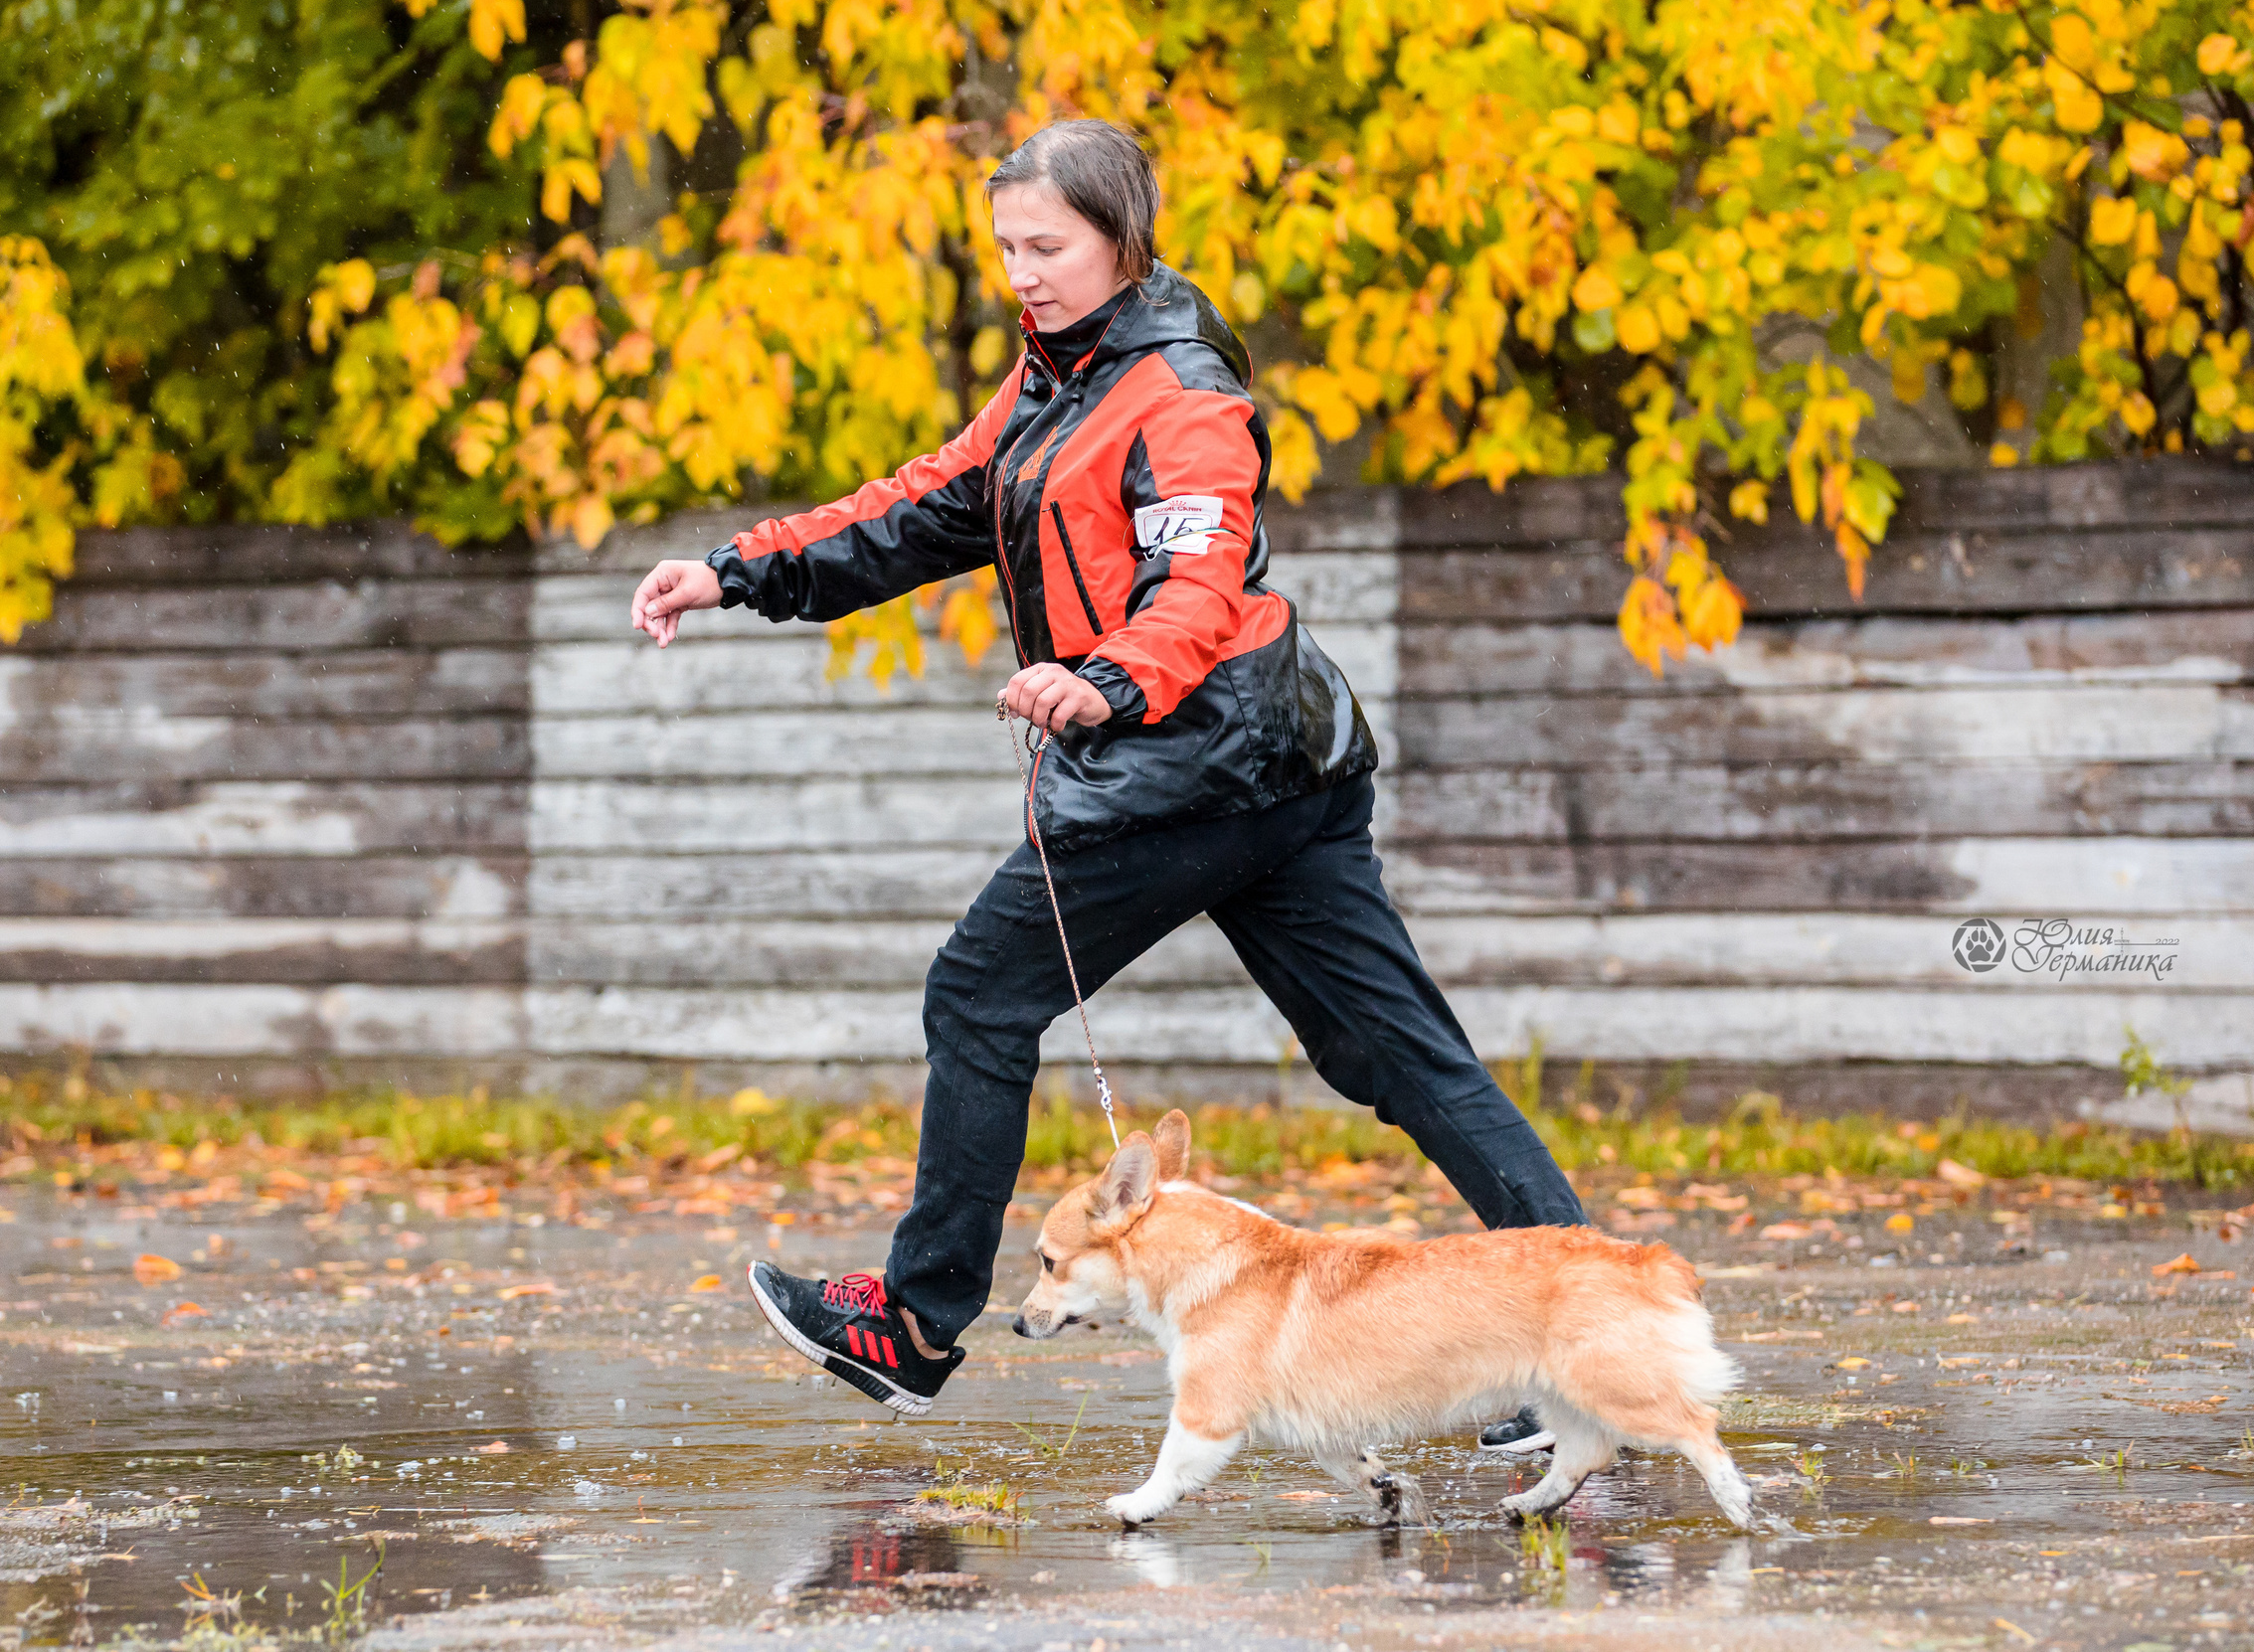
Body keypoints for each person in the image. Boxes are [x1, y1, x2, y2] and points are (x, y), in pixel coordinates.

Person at [628, 118, 1584, 1452]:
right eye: (1006, 247)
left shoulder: (1180, 391)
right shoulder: (1051, 383)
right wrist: (735, 571)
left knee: (980, 992)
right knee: (1400, 1055)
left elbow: (1199, 578)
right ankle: (1578, 1341)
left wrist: (1110, 681)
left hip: (1191, 765)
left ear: (1121, 238)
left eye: (1048, 246)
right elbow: (921, 506)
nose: (1021, 272)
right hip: (1275, 766)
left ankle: (911, 1326)